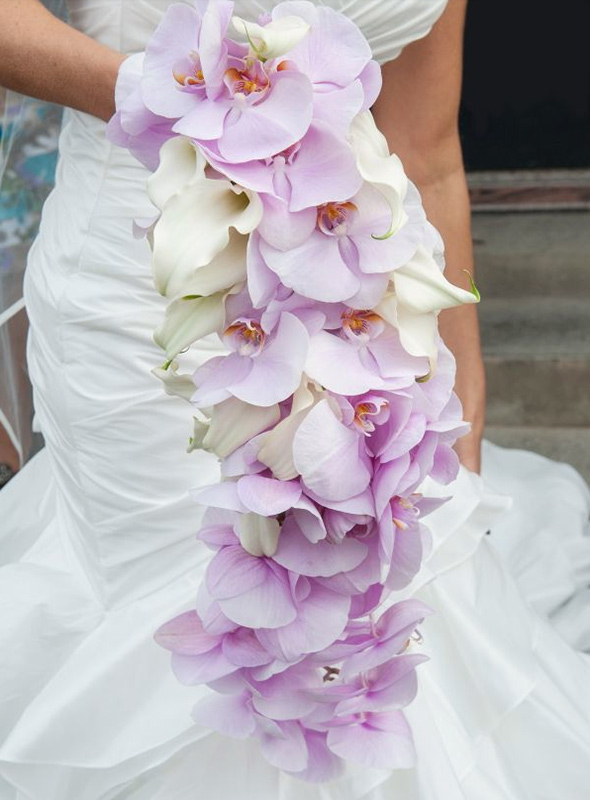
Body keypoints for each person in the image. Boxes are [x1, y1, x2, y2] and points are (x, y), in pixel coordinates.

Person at [0, 1, 588, 798]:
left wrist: (463, 384)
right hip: (142, 300)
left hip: (370, 316)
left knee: (373, 638)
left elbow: (427, 148)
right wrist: (187, 104)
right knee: (173, 637)